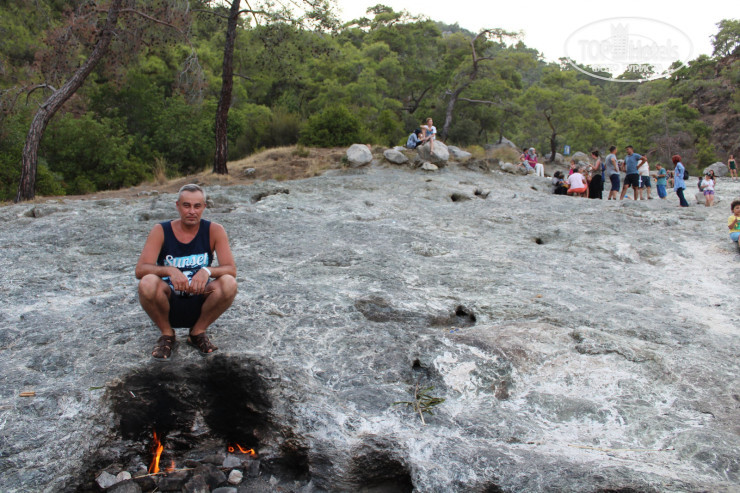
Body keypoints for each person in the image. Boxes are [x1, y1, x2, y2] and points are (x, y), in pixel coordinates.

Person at [136, 184, 238, 360]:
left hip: (201, 300)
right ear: (177, 206)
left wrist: (207, 270)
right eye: (186, 205)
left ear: (204, 207)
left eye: (197, 206)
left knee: (229, 282)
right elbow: (141, 269)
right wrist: (169, 270)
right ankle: (167, 334)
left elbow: (230, 269)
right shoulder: (161, 230)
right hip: (167, 301)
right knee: (147, 282)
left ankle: (198, 332)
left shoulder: (214, 230)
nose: (192, 211)